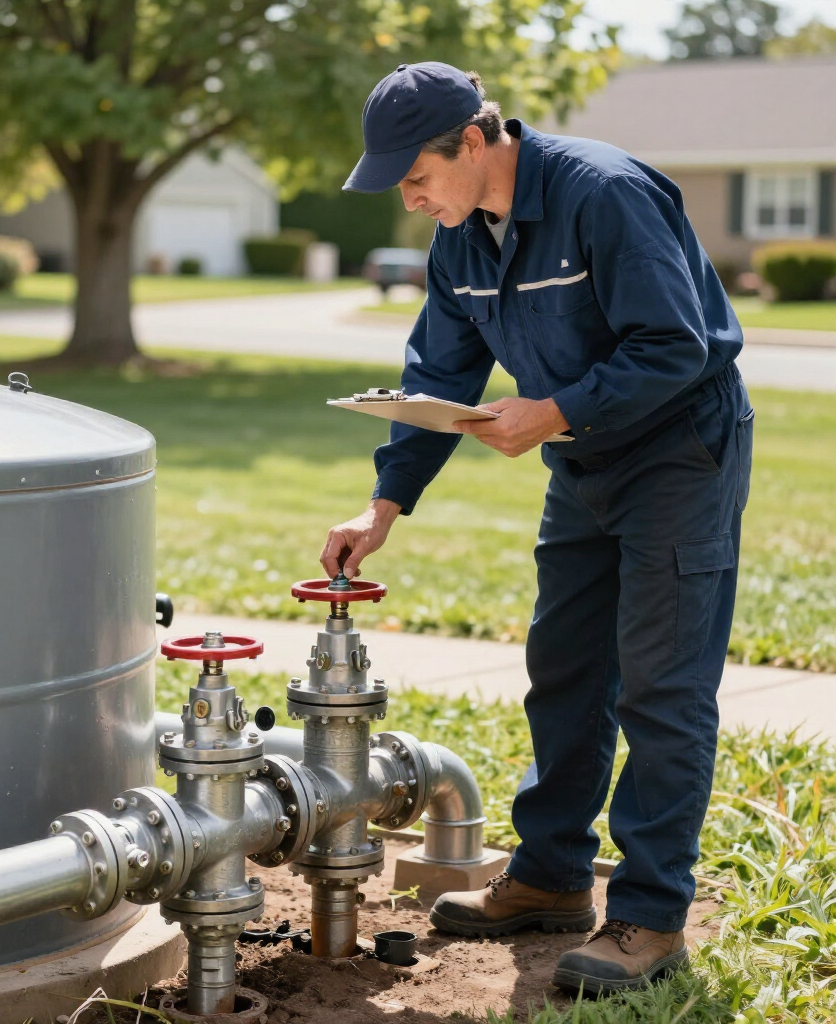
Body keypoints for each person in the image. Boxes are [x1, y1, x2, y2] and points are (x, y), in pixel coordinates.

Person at [322, 62, 754, 995]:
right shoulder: (462, 243)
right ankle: (552, 878)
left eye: (416, 176)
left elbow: (677, 344)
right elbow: (438, 376)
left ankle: (648, 917)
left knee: (661, 684)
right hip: (589, 464)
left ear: (474, 141)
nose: (410, 198)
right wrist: (383, 504)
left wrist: (553, 411)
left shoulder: (605, 194)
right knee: (564, 670)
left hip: (681, 451)